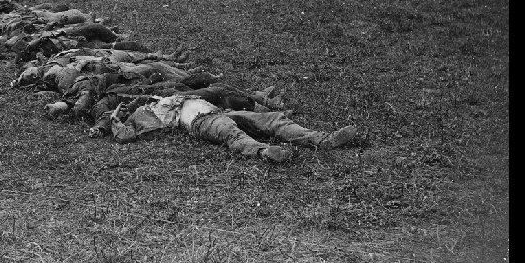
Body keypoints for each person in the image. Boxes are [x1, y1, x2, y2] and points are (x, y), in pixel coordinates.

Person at [103, 93, 357, 163]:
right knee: (230, 132)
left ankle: (322, 140)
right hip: (201, 122)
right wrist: (116, 117)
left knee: (271, 120)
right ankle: (263, 152)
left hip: (219, 112)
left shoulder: (170, 96)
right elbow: (125, 135)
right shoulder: (144, 114)